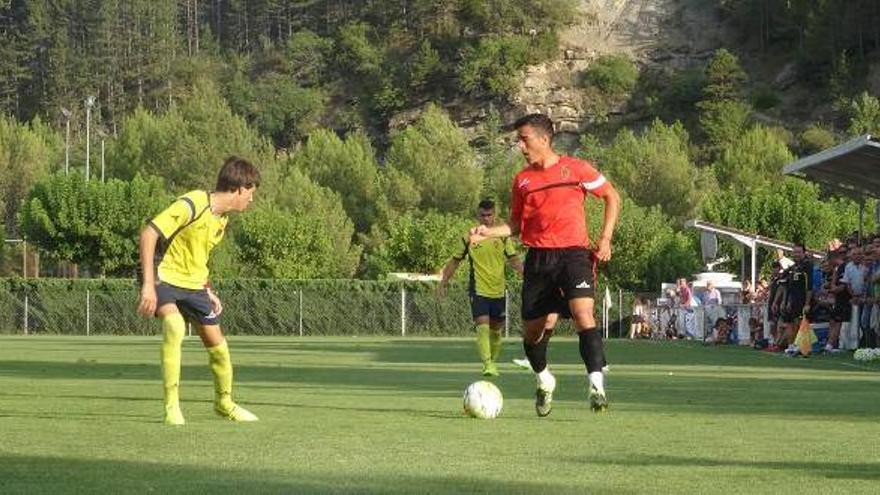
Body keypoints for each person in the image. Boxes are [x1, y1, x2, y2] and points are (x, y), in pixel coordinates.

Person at [469, 113, 620, 416]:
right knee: (532, 333)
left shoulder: (576, 169)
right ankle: (544, 379)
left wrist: (605, 238)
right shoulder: (522, 180)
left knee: (583, 313)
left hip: (574, 255)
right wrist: (487, 232)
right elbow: (514, 225)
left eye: (524, 139)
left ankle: (596, 385)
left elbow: (611, 196)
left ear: (543, 139)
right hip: (538, 260)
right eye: (519, 140)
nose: (520, 146)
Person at [137, 156, 260, 425]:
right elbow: (149, 234)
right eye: (250, 194)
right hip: (164, 278)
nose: (251, 200)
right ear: (239, 188)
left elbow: (197, 256)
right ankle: (172, 407)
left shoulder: (222, 221)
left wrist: (208, 289)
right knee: (174, 326)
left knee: (220, 349)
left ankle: (224, 403)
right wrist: (147, 285)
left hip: (194, 285)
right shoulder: (193, 203)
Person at [438, 199, 522, 377]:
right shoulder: (469, 237)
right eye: (482, 215)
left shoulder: (502, 235)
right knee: (482, 326)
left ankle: (493, 361)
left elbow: (513, 259)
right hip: (478, 290)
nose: (486, 218)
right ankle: (488, 364)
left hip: (498, 290)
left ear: (494, 215)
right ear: (478, 215)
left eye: (489, 215)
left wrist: (527, 275)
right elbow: (455, 261)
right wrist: (443, 281)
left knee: (496, 331)